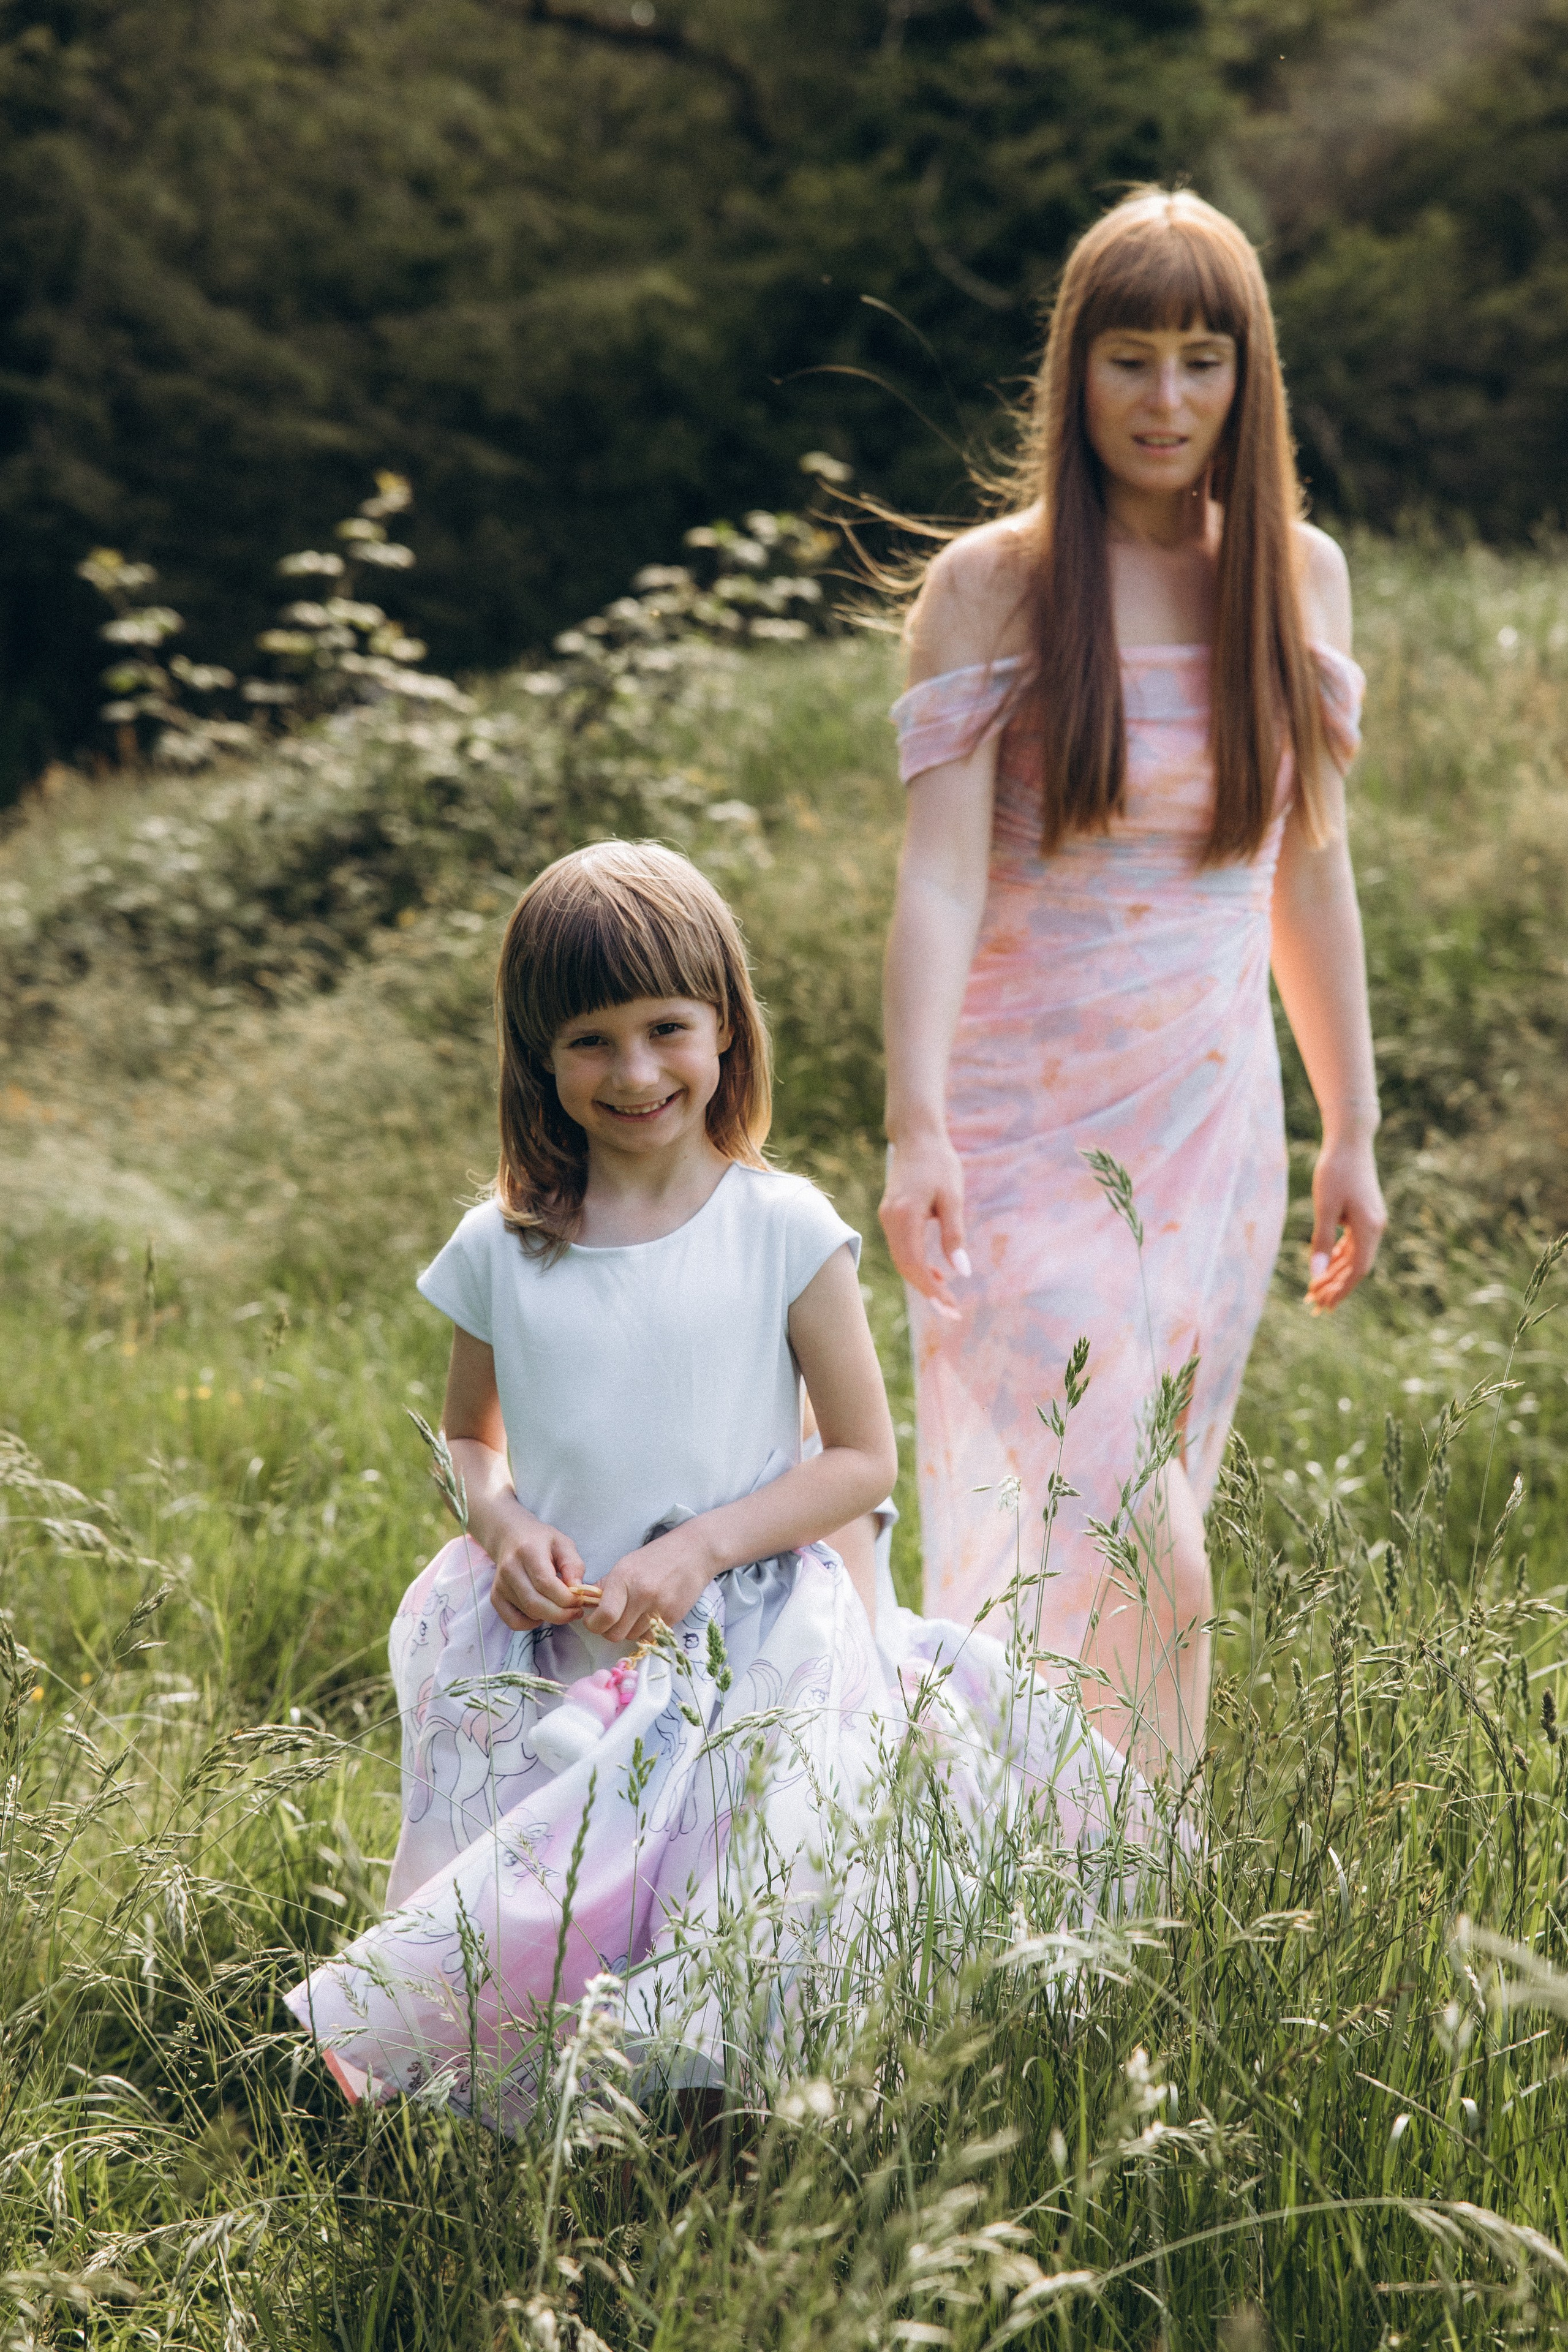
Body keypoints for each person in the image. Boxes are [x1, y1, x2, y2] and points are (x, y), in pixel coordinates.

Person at [285, 841, 1132, 2125]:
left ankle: (724, 2143)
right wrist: (499, 1516)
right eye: (588, 1041)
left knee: (729, 1896)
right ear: (536, 1057)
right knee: (556, 1886)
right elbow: (472, 1434)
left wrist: (697, 1552)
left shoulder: (780, 1227)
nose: (633, 1073)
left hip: (745, 1629)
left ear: (725, 1031)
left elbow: (861, 1458)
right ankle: (527, 2099)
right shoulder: (504, 1247)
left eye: (665, 1029)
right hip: (562, 1637)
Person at [878, 187, 1386, 1775]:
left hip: (1210, 1144)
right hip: (1022, 1146)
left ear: (1249, 379)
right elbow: (941, 875)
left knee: (1099, 1554)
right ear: (1071, 373)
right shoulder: (992, 587)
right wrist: (912, 1129)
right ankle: (1157, 1901)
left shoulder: (1294, 579)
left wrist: (1351, 1128)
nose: (1166, 403)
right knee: (1147, 1536)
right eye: (1130, 360)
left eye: (1201, 362)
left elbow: (1307, 868)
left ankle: (1020, 1873)